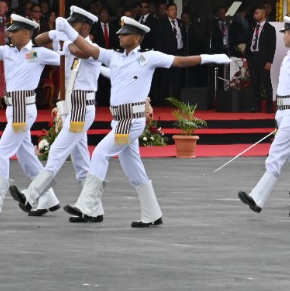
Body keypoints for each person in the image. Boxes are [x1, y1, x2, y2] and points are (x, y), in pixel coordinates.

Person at [59, 16, 232, 228]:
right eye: (120, 34)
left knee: (100, 153)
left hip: (131, 120)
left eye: (126, 34)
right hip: (119, 119)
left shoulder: (149, 58)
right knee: (134, 169)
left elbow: (180, 61)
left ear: (138, 37)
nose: (120, 37)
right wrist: (68, 31)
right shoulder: (114, 57)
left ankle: (87, 204)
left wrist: (208, 57)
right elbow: (87, 47)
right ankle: (152, 213)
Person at [0, 13, 64, 219]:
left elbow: (65, 61)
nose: (9, 34)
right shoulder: (7, 52)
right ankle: (49, 198)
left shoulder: (38, 53)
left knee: (2, 153)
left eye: (14, 31)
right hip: (13, 107)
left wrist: (59, 40)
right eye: (9, 30)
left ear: (27, 33)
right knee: (26, 157)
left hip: (24, 108)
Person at [12, 6, 102, 215]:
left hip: (82, 107)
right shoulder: (68, 41)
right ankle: (95, 209)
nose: (70, 27)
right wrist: (55, 32)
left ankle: (31, 195)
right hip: (72, 107)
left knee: (57, 151)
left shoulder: (89, 47)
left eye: (74, 24)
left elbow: (79, 52)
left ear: (86, 27)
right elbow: (38, 40)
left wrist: (68, 35)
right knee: (81, 163)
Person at [237, 15, 290, 217]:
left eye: (285, 33)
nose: (283, 36)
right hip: (284, 112)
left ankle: (258, 197)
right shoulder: (288, 58)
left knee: (275, 154)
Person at [244, 6, 276, 110]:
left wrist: (269, 61)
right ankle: (255, 106)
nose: (255, 15)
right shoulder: (252, 27)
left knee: (266, 82)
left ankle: (269, 106)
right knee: (254, 82)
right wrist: (245, 58)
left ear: (263, 14)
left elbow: (272, 46)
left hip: (263, 58)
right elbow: (248, 42)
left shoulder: (270, 28)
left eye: (257, 13)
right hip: (252, 57)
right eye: (254, 13)